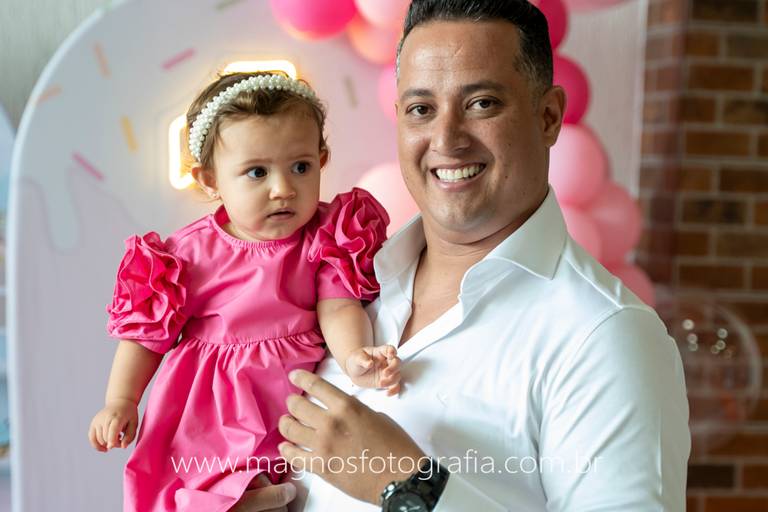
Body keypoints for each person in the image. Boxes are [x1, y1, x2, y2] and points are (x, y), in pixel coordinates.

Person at [272, 1, 690, 511]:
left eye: (482, 103)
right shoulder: (342, 283)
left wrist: (411, 486)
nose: (447, 139)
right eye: (421, 109)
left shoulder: (605, 335)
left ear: (548, 117)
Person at [86, 71, 402, 512]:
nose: (283, 189)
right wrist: (121, 401)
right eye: (257, 172)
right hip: (211, 413)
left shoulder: (325, 236)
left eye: (301, 167)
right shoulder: (187, 255)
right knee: (219, 495)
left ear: (321, 160)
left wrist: (354, 358)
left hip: (289, 398)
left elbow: (337, 306)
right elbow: (145, 338)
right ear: (210, 179)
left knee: (285, 495)